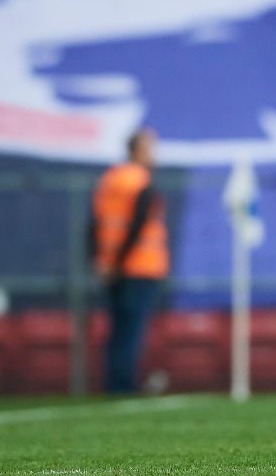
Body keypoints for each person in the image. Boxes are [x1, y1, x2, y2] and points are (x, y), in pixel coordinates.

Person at [90, 128, 169, 393]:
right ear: (138, 151)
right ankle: (124, 386)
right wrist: (119, 262)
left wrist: (102, 261)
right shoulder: (140, 182)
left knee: (117, 328)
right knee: (131, 330)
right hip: (139, 268)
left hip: (112, 268)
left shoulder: (110, 179)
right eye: (151, 148)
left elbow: (95, 223)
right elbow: (136, 226)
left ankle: (114, 384)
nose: (155, 154)